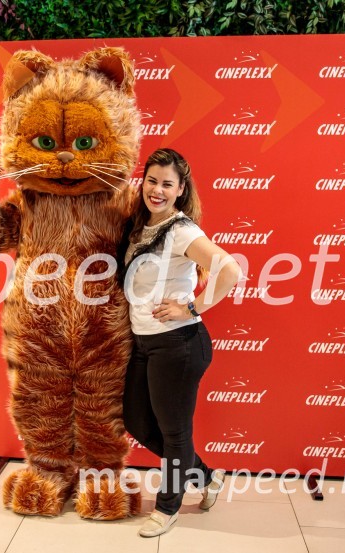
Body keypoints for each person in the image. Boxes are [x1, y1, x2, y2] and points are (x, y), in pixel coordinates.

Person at [120, 148, 242, 538]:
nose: (157, 190)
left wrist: (191, 306)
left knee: (174, 433)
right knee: (138, 421)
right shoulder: (143, 225)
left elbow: (230, 268)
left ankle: (167, 507)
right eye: (151, 181)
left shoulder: (181, 229)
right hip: (145, 342)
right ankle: (206, 477)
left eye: (166, 184)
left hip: (179, 344)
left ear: (180, 189)